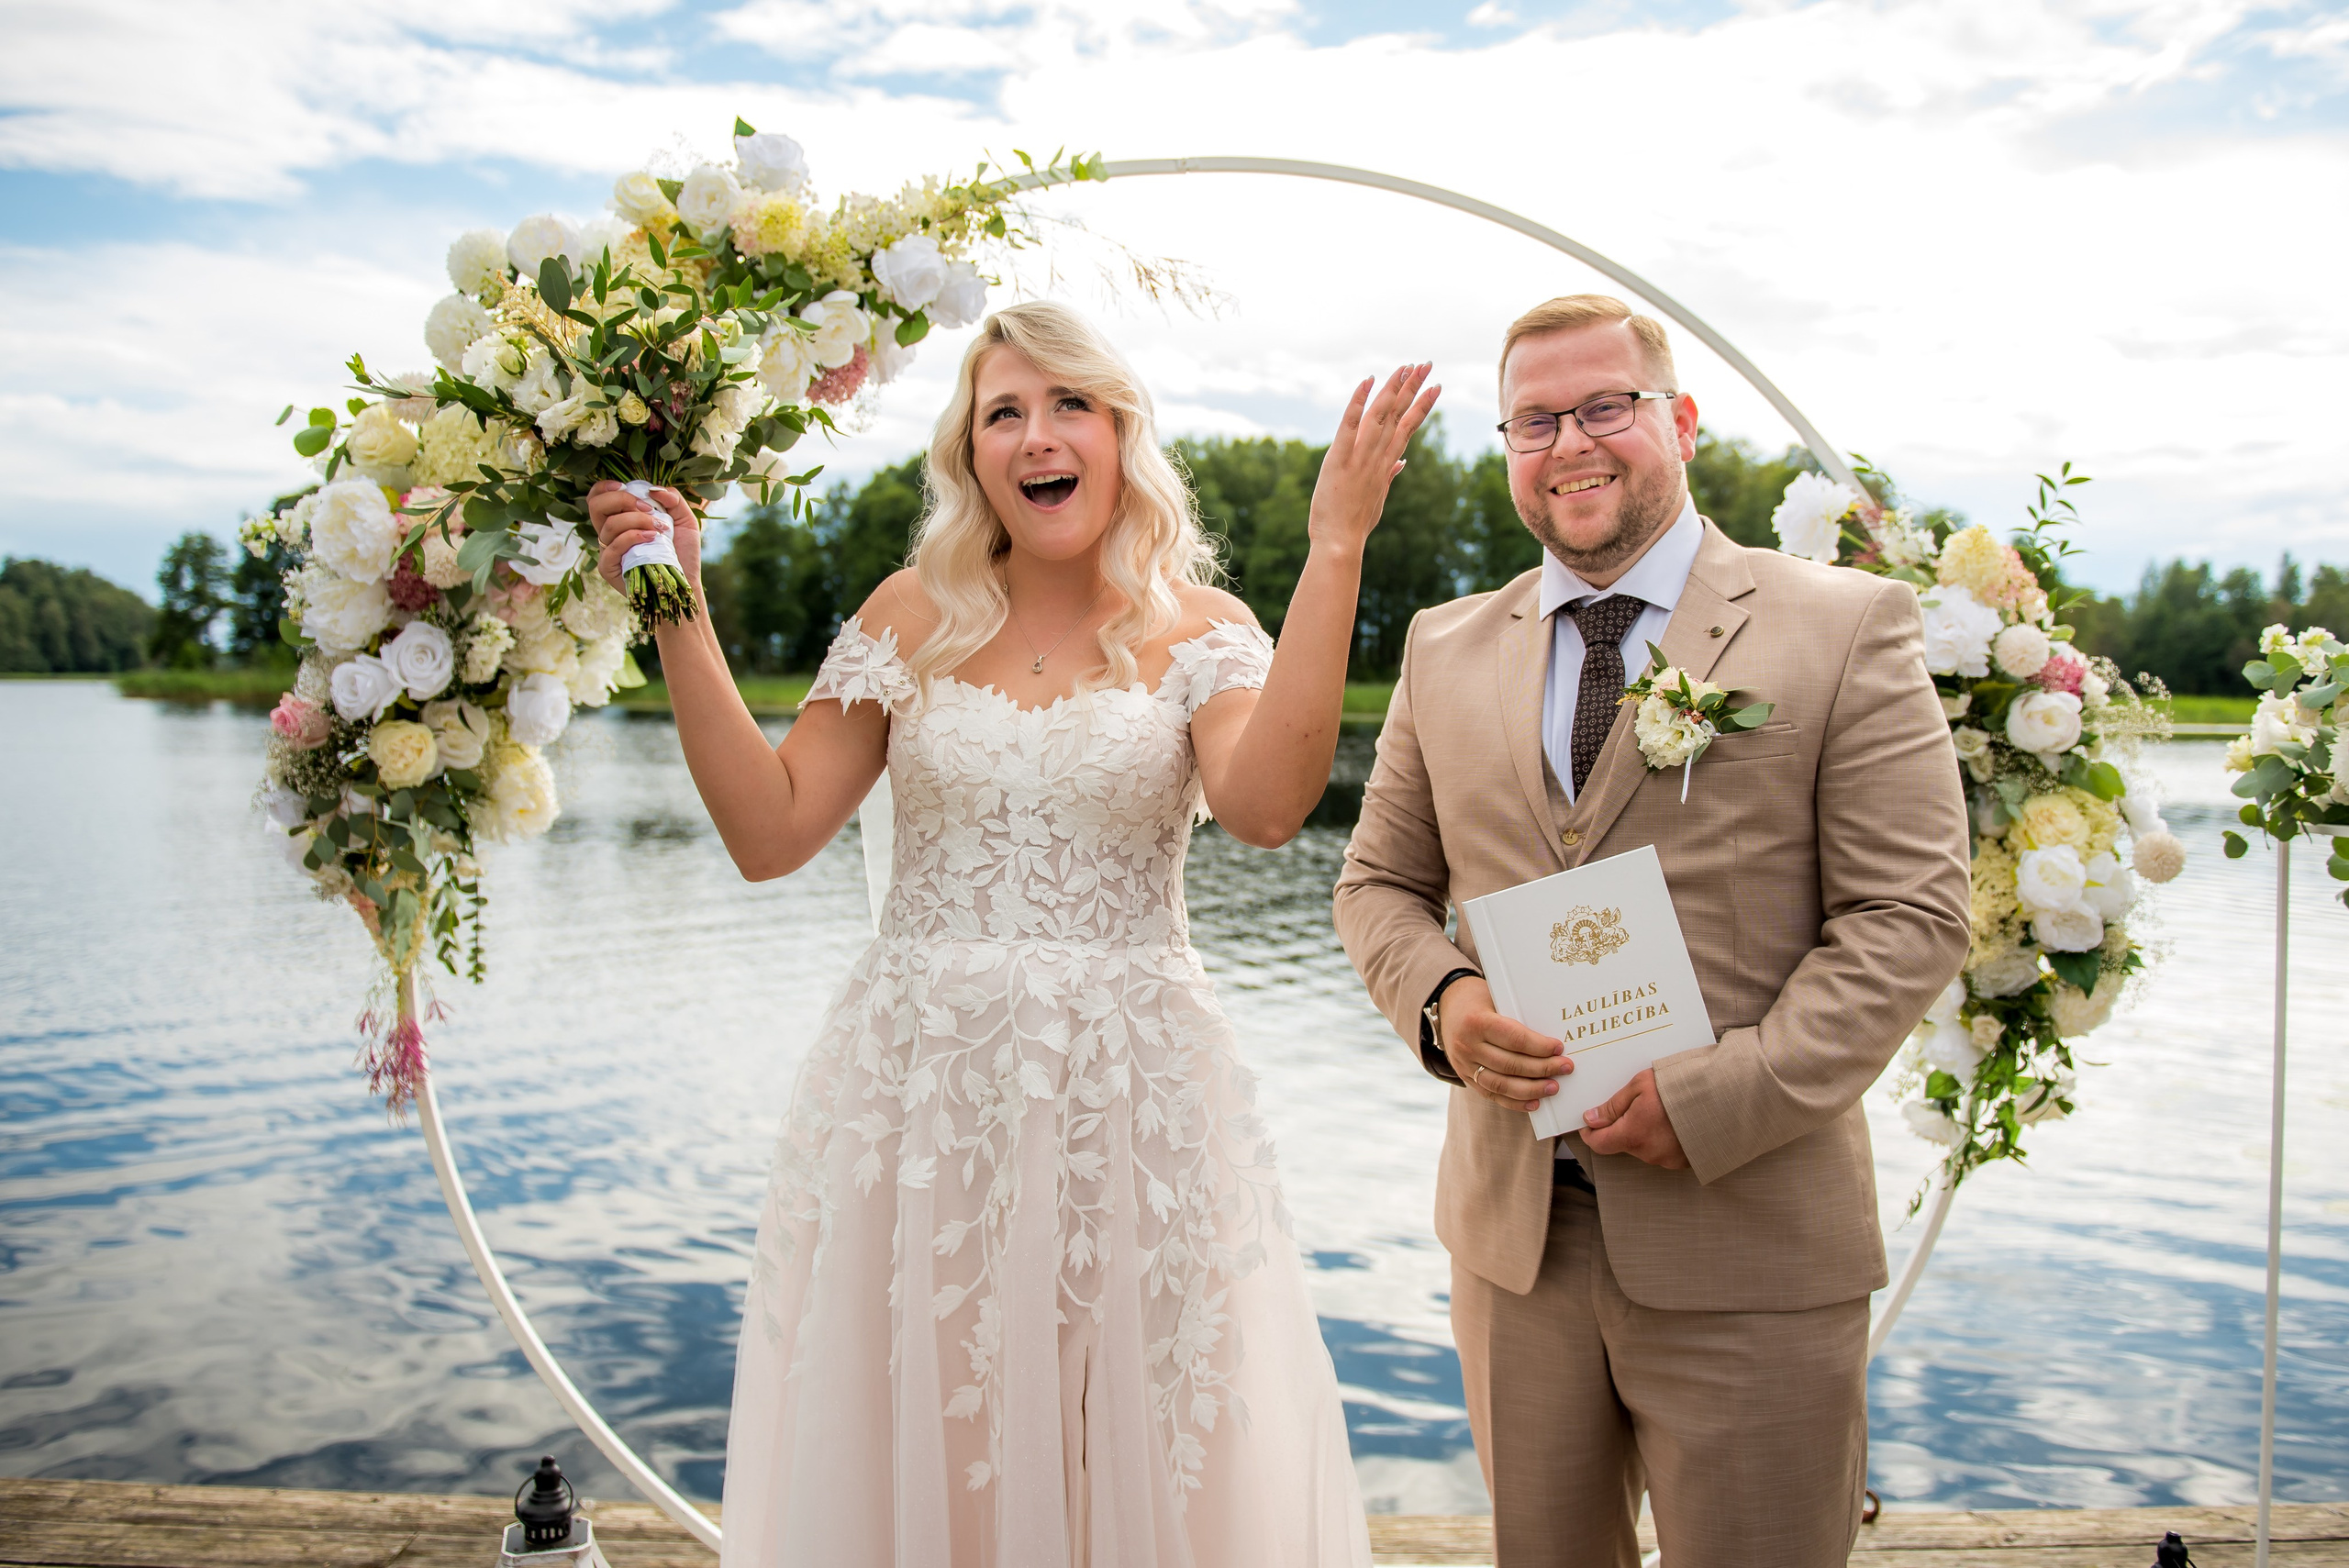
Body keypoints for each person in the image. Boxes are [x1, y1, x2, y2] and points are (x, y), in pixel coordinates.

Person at [587, 301, 1437, 1566]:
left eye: (1069, 404)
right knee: (937, 1431)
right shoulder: (907, 616)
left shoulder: (1198, 629)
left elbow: (1266, 809)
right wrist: (680, 608)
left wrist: (1335, 547)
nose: (1038, 434)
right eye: (1004, 412)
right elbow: (770, 832)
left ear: (1119, 431)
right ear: (973, 453)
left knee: (1139, 1433)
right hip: (922, 1100)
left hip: (1133, 1100)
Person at [1330, 295, 1972, 1568]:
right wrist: (1446, 1005)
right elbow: (1376, 886)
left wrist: (1729, 1092)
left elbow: (1911, 915)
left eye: (1605, 406)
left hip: (1752, 1230)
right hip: (1516, 1242)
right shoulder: (1444, 646)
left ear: (1678, 419)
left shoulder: (1846, 624)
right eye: (1535, 419)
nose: (1572, 441)